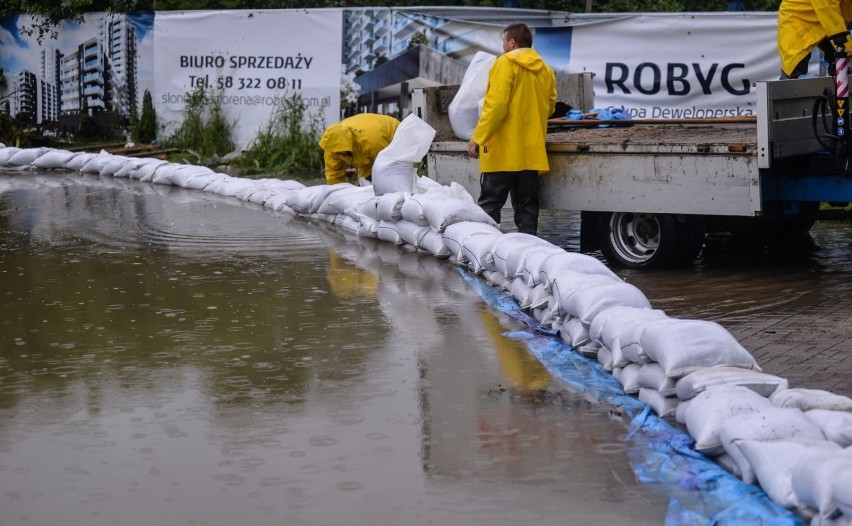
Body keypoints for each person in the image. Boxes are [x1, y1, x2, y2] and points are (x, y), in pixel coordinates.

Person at [467, 22, 556, 236]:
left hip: (503, 152)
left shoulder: (505, 63)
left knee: (490, 206)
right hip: (530, 153)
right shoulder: (545, 69)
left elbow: (496, 106)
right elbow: (550, 106)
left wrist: (478, 138)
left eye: (504, 41)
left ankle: (484, 251)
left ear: (512, 42)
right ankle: (528, 253)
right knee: (527, 209)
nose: (503, 46)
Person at [778, 0, 852, 78]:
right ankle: (786, 88)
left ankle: (839, 84)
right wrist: (849, 51)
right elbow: (827, 9)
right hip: (798, 18)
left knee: (837, 60)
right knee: (795, 65)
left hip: (827, 21)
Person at [319, 113, 400, 184]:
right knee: (365, 184)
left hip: (394, 134)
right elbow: (334, 176)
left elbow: (386, 164)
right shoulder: (331, 147)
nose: (338, 154)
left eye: (340, 151)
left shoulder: (372, 141)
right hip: (365, 153)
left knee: (391, 179)